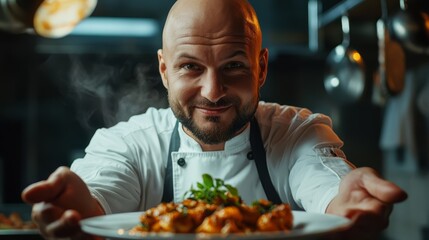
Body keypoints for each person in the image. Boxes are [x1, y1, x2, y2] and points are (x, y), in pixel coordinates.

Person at [21, 0, 407, 239]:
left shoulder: (296, 133)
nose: (212, 91)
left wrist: (344, 197)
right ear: (164, 70)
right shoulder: (128, 143)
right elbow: (98, 195)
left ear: (261, 68)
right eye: (190, 66)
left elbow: (324, 180)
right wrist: (79, 209)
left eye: (234, 66)